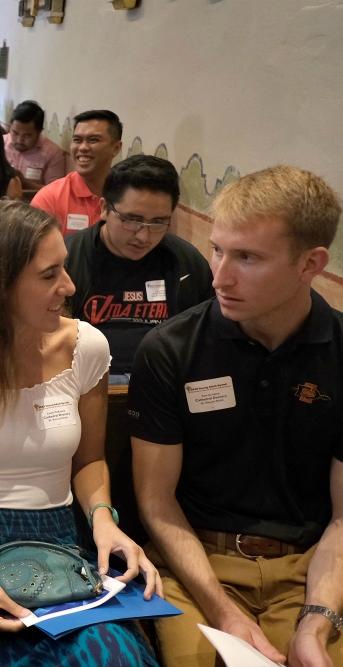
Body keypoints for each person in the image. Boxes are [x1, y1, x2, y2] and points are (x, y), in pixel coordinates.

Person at [0, 200, 161, 667]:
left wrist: (103, 520)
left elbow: (89, 461)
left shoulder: (85, 347)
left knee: (114, 659)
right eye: (48, 274)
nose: (69, 286)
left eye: (65, 268)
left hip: (55, 539)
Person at [128, 166, 343, 667]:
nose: (219, 276)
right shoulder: (172, 349)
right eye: (219, 250)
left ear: (310, 263)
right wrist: (224, 613)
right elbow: (157, 505)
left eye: (247, 258)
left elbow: (342, 517)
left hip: (310, 568)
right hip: (196, 565)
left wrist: (316, 621)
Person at [64, 155, 213, 384]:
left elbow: (205, 335)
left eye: (157, 222)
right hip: (83, 378)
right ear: (104, 208)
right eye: (132, 220)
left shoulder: (186, 263)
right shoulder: (66, 259)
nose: (143, 236)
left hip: (163, 379)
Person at [32, 109, 123, 236]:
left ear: (116, 148)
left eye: (93, 140)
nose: (83, 147)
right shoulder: (50, 198)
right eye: (77, 140)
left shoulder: (127, 194)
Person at [4, 100, 66, 190]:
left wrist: (24, 182)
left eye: (27, 136)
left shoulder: (53, 153)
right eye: (15, 133)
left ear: (39, 131)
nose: (19, 140)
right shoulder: (0, 143)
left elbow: (55, 192)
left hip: (33, 202)